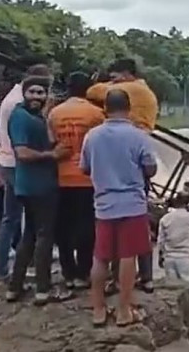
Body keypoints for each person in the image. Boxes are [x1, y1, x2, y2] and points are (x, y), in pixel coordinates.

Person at [81, 89, 157, 327]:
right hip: (132, 205)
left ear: (105, 108)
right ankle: (124, 310)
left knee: (101, 257)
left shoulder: (92, 136)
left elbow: (85, 168)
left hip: (103, 204)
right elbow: (150, 168)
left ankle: (98, 309)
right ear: (129, 108)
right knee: (128, 256)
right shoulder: (138, 136)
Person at [87, 58, 159, 292]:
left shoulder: (132, 89)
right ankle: (146, 277)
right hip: (137, 157)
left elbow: (95, 91)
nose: (113, 80)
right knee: (140, 226)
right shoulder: (145, 92)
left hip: (123, 162)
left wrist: (102, 83)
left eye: (115, 75)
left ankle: (119, 281)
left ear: (127, 74)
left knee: (121, 235)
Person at [6, 76, 71, 305]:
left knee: (30, 235)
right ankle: (43, 289)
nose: (36, 97)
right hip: (40, 187)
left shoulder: (34, 117)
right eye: (32, 92)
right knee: (45, 236)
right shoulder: (21, 117)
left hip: (28, 186)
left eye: (41, 93)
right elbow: (22, 153)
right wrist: (52, 155)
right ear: (24, 93)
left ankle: (15, 287)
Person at [0, 64, 50, 289]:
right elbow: (24, 145)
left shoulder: (12, 97)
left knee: (12, 218)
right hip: (18, 164)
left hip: (8, 160)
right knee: (20, 219)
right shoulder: (19, 104)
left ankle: (6, 270)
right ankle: (4, 272)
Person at [47, 72, 104, 289]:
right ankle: (84, 273)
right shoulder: (97, 114)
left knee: (63, 227)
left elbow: (53, 143)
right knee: (87, 226)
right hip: (88, 178)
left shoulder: (55, 114)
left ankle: (68, 272)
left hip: (62, 178)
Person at [158, 193, 189, 283]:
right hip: (186, 257)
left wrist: (161, 256)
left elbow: (161, 241)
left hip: (169, 257)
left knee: (172, 287)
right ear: (187, 204)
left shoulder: (165, 218)